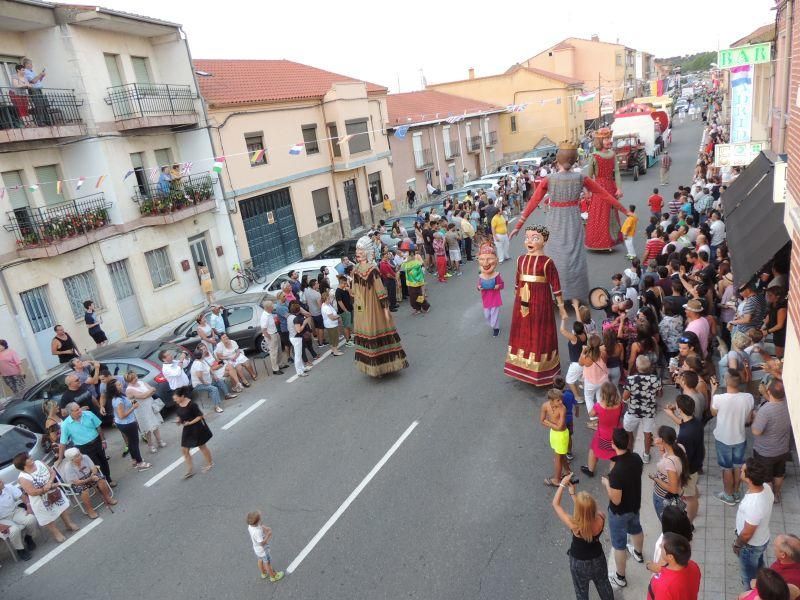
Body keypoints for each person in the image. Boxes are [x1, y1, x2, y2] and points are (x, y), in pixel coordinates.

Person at [510, 141, 631, 312]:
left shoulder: (549, 179)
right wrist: (625, 211)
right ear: (575, 160)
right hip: (573, 221)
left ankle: (556, 297)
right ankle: (575, 297)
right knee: (575, 260)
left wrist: (519, 224)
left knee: (554, 260)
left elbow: (533, 201)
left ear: (557, 160)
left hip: (555, 223)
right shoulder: (581, 178)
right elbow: (605, 195)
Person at [504, 225, 568, 386]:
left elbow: (556, 286)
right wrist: (517, 297)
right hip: (522, 304)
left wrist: (561, 308)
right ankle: (523, 369)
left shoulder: (547, 262)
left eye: (535, 238)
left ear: (544, 241)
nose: (529, 241)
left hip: (541, 303)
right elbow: (517, 281)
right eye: (527, 238)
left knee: (540, 333)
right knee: (523, 333)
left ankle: (541, 371)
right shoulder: (520, 259)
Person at [351, 236, 409, 377]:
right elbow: (380, 292)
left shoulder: (360, 269)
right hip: (371, 307)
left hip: (363, 307)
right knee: (378, 332)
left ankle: (376, 368)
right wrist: (386, 310)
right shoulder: (366, 269)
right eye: (357, 249)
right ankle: (380, 367)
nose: (358, 252)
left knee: (370, 335)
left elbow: (357, 291)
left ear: (367, 252)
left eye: (361, 249)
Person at [551, 475, 615, 600]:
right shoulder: (600, 517)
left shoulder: (575, 525)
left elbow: (555, 504)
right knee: (603, 584)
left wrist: (563, 484)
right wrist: (573, 494)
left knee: (581, 591)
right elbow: (586, 512)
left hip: (579, 563)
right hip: (597, 558)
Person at [603, 428, 644, 588]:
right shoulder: (636, 458)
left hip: (619, 513)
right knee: (636, 528)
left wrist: (607, 483)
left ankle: (620, 577)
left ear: (613, 444)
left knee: (619, 545)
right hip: (635, 504)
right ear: (628, 442)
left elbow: (616, 500)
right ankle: (638, 553)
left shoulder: (616, 473)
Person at [711, 369, 755, 505]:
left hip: (723, 439)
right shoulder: (748, 398)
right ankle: (736, 492)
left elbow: (713, 413)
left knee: (727, 468)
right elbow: (748, 420)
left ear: (726, 381)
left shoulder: (719, 398)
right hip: (740, 438)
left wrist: (713, 391)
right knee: (738, 466)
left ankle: (728, 495)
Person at [14, 452, 78, 544]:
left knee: (62, 508)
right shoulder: (23, 477)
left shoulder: (39, 463)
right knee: (47, 517)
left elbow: (52, 472)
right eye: (27, 458)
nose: (31, 457)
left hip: (53, 492)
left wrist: (50, 482)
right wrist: (45, 489)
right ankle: (56, 533)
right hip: (40, 500)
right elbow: (31, 492)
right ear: (23, 464)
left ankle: (69, 524)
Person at [734, 458, 775, 590]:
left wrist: (737, 544)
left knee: (749, 578)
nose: (741, 469)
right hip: (762, 539)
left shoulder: (754, 504)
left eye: (743, 470)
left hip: (750, 546)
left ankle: (753, 594)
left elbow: (747, 533)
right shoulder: (766, 488)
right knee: (758, 566)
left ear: (749, 479)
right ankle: (762, 583)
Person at [664, 395, 704, 521]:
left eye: (677, 406)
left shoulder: (685, 436)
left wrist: (679, 473)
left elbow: (684, 458)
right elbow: (682, 423)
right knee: (692, 487)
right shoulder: (695, 422)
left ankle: (690, 521)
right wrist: (671, 413)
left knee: (689, 497)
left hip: (689, 469)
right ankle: (695, 494)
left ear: (680, 410)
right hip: (697, 462)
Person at [751, 379, 791, 504]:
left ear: (769, 391)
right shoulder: (788, 404)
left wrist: (755, 416)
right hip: (783, 449)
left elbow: (756, 431)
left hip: (765, 452)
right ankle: (777, 494)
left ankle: (768, 499)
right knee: (779, 473)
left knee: (767, 477)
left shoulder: (765, 410)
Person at [585, 128, 624, 251]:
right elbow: (589, 178)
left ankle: (611, 241)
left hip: (610, 187)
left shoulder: (612, 154)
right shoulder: (594, 156)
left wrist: (619, 188)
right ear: (600, 140)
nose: (609, 141)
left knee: (611, 213)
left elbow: (617, 172)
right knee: (600, 214)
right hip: (599, 188)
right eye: (606, 139)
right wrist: (588, 192)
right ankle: (600, 243)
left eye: (609, 138)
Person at [58, 402, 114, 485]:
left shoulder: (89, 414)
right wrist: (60, 458)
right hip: (84, 447)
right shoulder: (65, 425)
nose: (80, 410)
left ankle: (108, 480)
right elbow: (63, 442)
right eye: (76, 410)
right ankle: (101, 483)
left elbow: (98, 427)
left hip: (97, 441)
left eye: (79, 408)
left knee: (103, 461)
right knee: (94, 465)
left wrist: (103, 440)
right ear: (70, 413)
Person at [622, 355, 661, 463]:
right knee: (647, 434)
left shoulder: (630, 379)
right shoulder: (655, 379)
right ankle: (646, 455)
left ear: (637, 366)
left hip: (633, 411)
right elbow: (660, 394)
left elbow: (625, 397)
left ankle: (629, 453)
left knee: (629, 431)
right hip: (649, 411)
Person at [107, 379, 151, 472]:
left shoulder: (118, 396)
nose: (121, 386)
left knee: (131, 443)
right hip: (127, 423)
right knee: (134, 443)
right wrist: (133, 408)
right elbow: (122, 415)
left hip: (124, 423)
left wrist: (131, 403)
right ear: (113, 388)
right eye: (118, 385)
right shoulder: (118, 400)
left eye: (120, 384)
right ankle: (140, 463)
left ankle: (134, 461)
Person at [60, 447, 117, 518]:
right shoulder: (68, 467)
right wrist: (89, 479)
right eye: (77, 456)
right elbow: (76, 482)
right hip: (78, 482)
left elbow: (94, 468)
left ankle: (108, 498)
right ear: (72, 459)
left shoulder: (85, 457)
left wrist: (93, 474)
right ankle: (90, 510)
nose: (80, 456)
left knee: (101, 480)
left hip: (90, 475)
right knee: (84, 490)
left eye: (79, 453)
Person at [581, 382, 623, 478]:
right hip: (616, 433)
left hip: (602, 434)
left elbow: (591, 414)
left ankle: (590, 470)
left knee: (593, 450)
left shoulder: (599, 406)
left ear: (602, 394)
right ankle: (611, 476)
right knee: (614, 456)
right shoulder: (619, 404)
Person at [650, 425, 689, 521]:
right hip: (676, 491)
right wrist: (662, 449)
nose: (655, 438)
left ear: (663, 440)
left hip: (663, 497)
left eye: (657, 436)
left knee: (666, 524)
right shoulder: (680, 447)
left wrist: (656, 479)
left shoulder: (669, 462)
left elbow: (673, 489)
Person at [173, 386, 213, 478]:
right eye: (174, 399)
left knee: (202, 446)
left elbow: (200, 416)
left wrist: (190, 422)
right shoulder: (178, 404)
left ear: (182, 396)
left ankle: (210, 463)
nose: (175, 401)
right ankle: (190, 470)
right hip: (187, 429)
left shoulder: (192, 405)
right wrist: (178, 420)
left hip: (196, 428)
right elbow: (179, 415)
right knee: (184, 450)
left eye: (176, 399)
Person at [646, 533, 702, 599]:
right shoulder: (693, 565)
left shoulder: (664, 587)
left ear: (670, 557)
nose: (660, 546)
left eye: (662, 546)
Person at [124, 371, 166, 452]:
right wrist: (148, 393)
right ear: (129, 381)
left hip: (150, 406)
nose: (136, 379)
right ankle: (150, 445)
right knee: (147, 428)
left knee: (155, 425)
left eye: (136, 376)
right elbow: (143, 396)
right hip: (141, 411)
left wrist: (147, 394)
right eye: (133, 378)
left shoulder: (141, 382)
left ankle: (159, 441)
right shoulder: (129, 390)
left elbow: (153, 390)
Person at [0, 479, 37, 561]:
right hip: (2, 520)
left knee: (31, 519)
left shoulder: (8, 487)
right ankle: (20, 549)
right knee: (13, 530)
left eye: (1, 480)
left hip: (15, 511)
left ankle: (28, 537)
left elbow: (22, 496)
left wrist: (28, 506)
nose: (2, 482)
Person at [541, 389, 570, 487]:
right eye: (558, 400)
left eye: (561, 399)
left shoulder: (563, 408)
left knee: (558, 457)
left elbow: (560, 427)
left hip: (562, 435)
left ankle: (556, 480)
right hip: (554, 433)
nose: (561, 402)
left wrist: (548, 422)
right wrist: (553, 424)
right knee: (561, 455)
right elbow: (542, 420)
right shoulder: (545, 406)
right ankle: (567, 471)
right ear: (551, 400)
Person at [247, 510, 284, 582]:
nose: (261, 519)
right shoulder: (257, 532)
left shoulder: (250, 526)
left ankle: (263, 573)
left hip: (257, 549)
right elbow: (262, 543)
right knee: (267, 563)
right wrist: (268, 535)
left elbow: (259, 526)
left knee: (260, 560)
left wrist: (265, 528)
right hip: (263, 550)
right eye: (260, 518)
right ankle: (273, 576)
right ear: (257, 522)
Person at [477, 242, 503, 337]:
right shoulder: (481, 276)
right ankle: (493, 325)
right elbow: (478, 284)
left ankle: (496, 328)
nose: (486, 262)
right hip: (486, 299)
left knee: (494, 314)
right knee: (487, 315)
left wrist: (498, 286)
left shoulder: (496, 275)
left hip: (495, 298)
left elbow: (502, 284)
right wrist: (479, 287)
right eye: (482, 259)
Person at [578, 334, 608, 416]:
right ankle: (601, 413)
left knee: (589, 398)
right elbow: (606, 362)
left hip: (590, 382)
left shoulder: (585, 357)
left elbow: (580, 363)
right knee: (600, 397)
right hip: (603, 380)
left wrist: (583, 351)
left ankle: (593, 418)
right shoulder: (603, 353)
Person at [260, 300, 285, 375]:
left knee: (279, 350)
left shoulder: (269, 313)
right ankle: (275, 369)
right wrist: (269, 338)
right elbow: (264, 330)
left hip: (275, 333)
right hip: (271, 335)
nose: (273, 307)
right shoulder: (264, 316)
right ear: (268, 307)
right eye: (272, 306)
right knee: (273, 352)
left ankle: (280, 364)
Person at [287, 302, 311, 377]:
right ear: (298, 310)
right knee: (298, 355)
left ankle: (302, 368)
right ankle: (299, 372)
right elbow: (299, 330)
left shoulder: (289, 316)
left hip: (292, 337)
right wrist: (304, 323)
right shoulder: (296, 318)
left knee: (299, 354)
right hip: (296, 337)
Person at [320, 291, 344, 356]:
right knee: (335, 338)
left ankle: (333, 350)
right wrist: (338, 316)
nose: (330, 299)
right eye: (329, 298)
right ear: (325, 299)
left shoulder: (325, 305)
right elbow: (332, 318)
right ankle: (335, 352)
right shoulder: (326, 307)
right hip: (331, 325)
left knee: (332, 338)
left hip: (330, 325)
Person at [335, 275, 354, 346]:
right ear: (341, 283)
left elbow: (352, 295)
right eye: (345, 283)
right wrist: (345, 310)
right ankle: (347, 341)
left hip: (349, 309)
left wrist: (349, 290)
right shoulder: (338, 291)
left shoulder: (345, 289)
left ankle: (349, 337)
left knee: (349, 325)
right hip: (344, 311)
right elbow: (340, 302)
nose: (346, 285)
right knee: (346, 326)